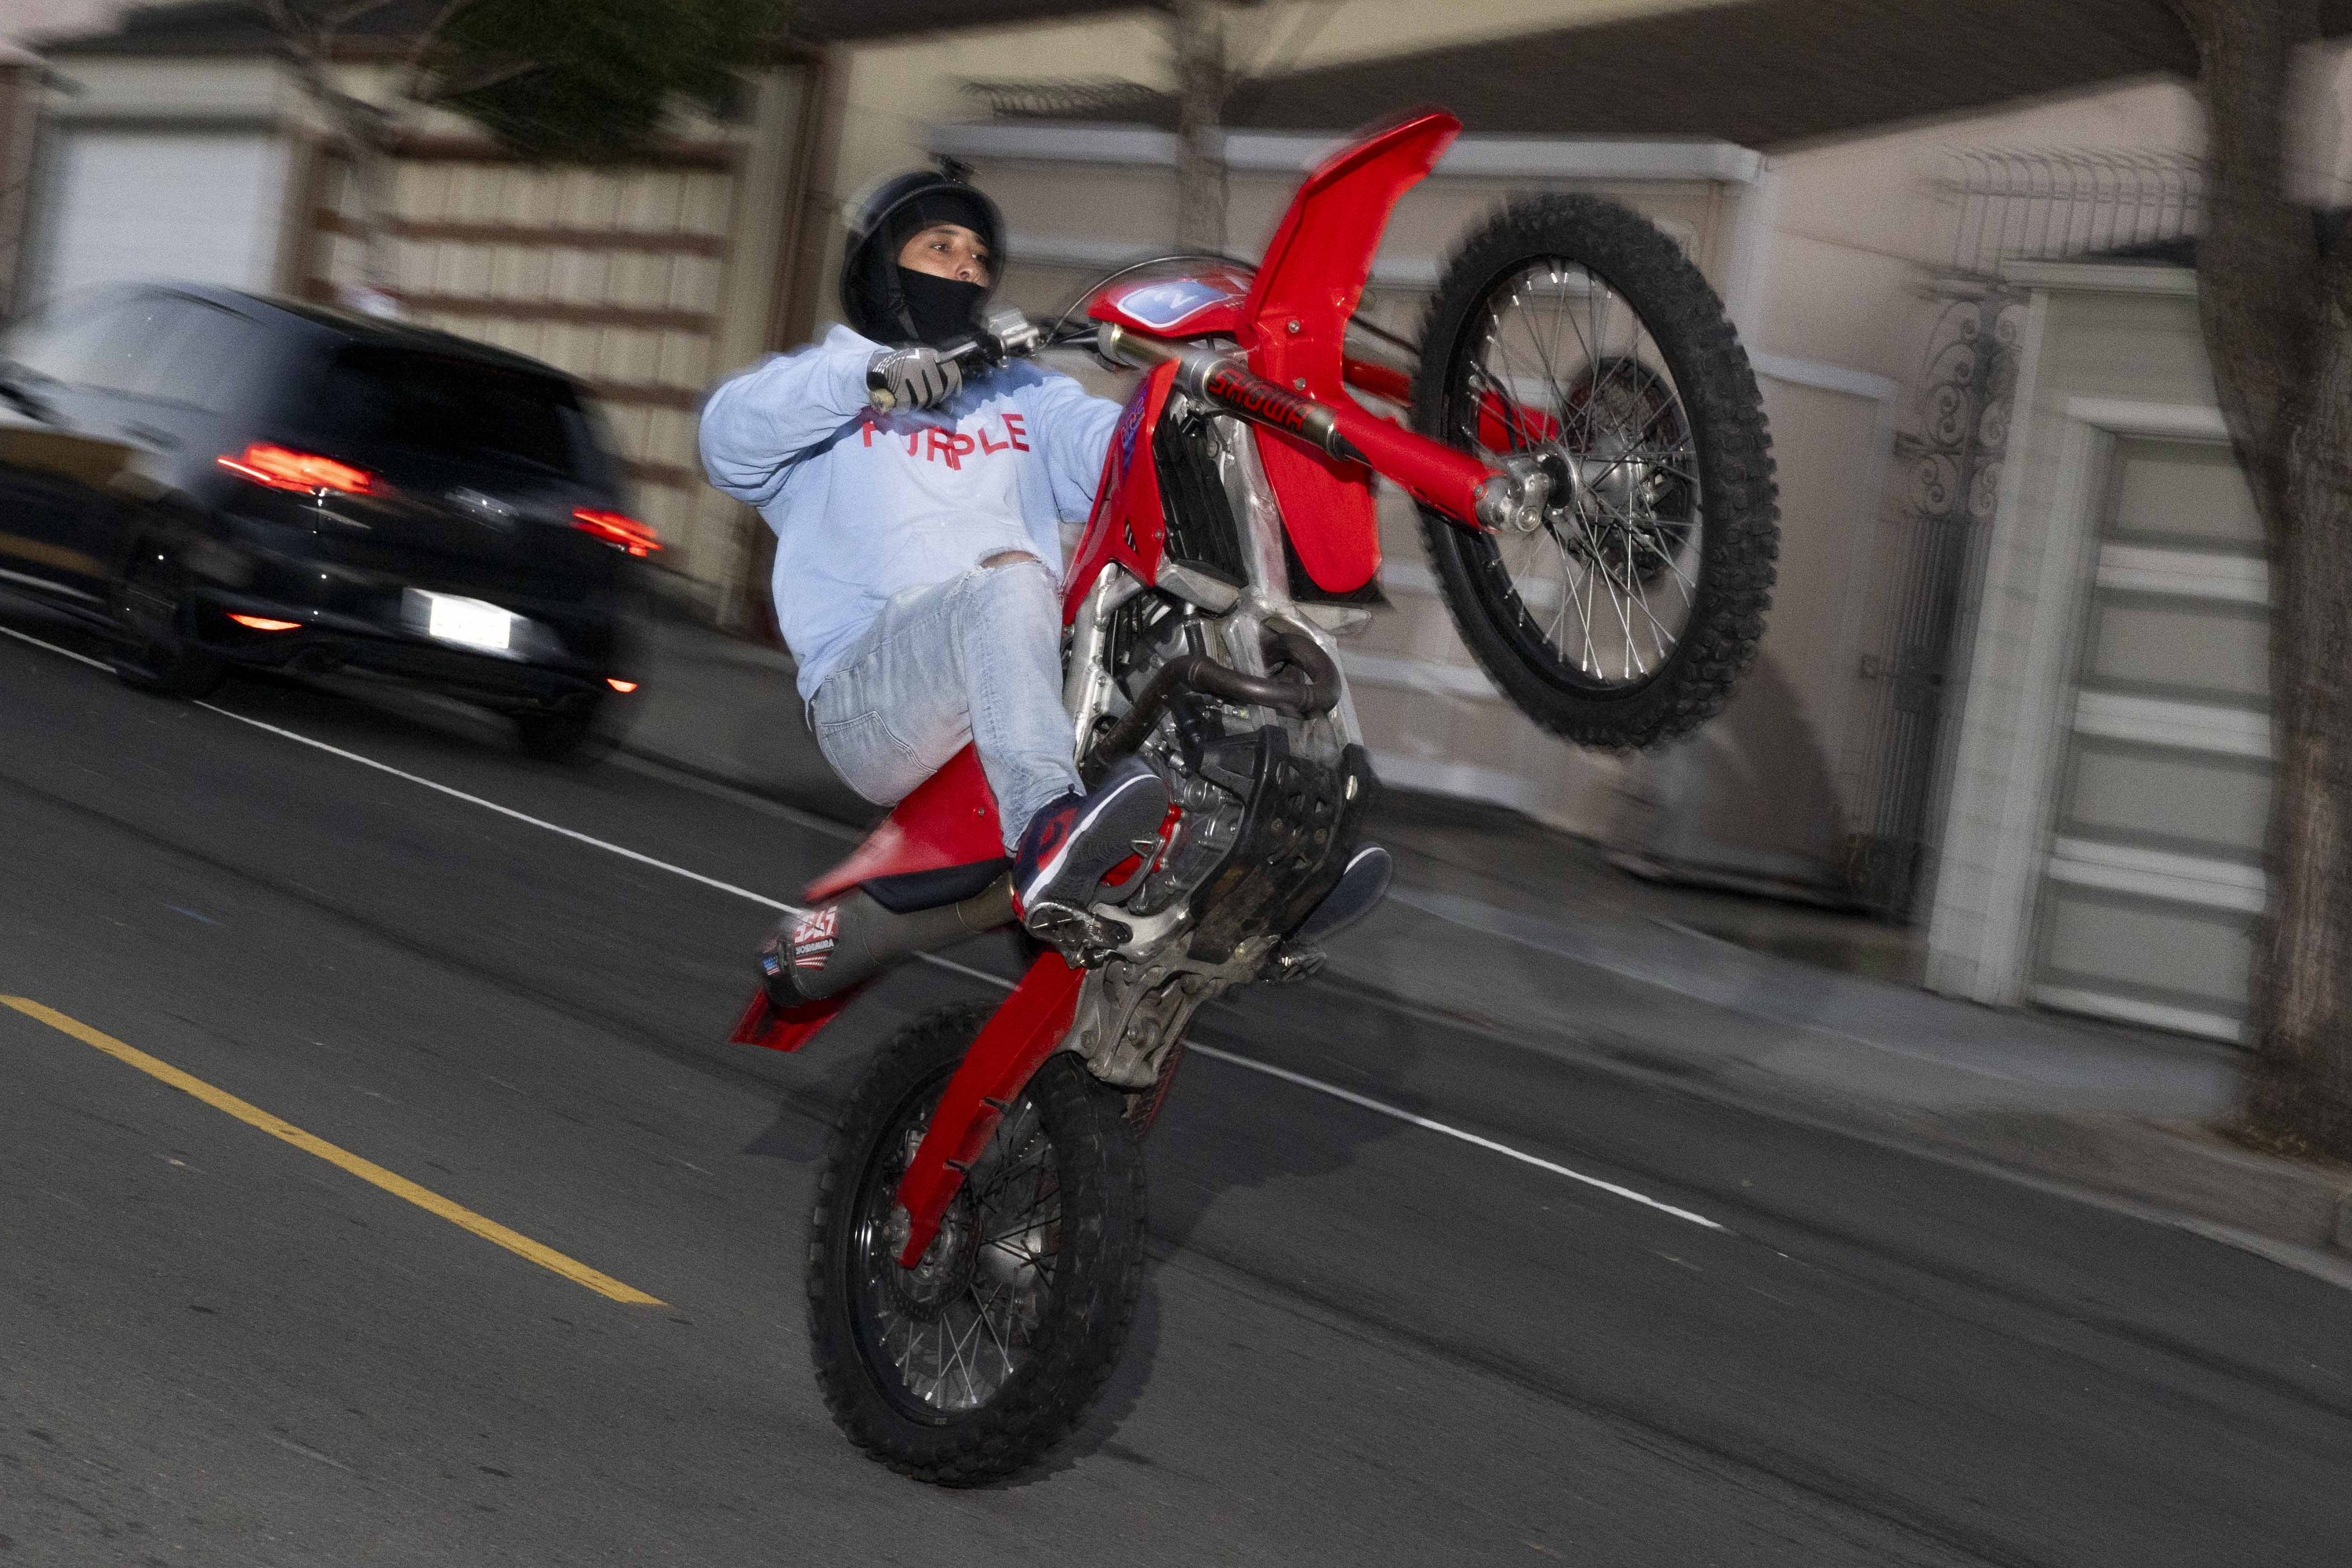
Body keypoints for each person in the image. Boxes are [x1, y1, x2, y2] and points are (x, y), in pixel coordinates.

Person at [698, 167, 1169, 933]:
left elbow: (1119, 457)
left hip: (1021, 686)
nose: (967, 267)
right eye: (941, 245)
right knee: (1012, 580)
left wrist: (1186, 401)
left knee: (1165, 590)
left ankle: (1261, 853)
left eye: (979, 257)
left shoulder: (1023, 393)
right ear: (883, 269)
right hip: (870, 700)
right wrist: (873, 377)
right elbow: (726, 439)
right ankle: (1045, 831)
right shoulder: (827, 390)